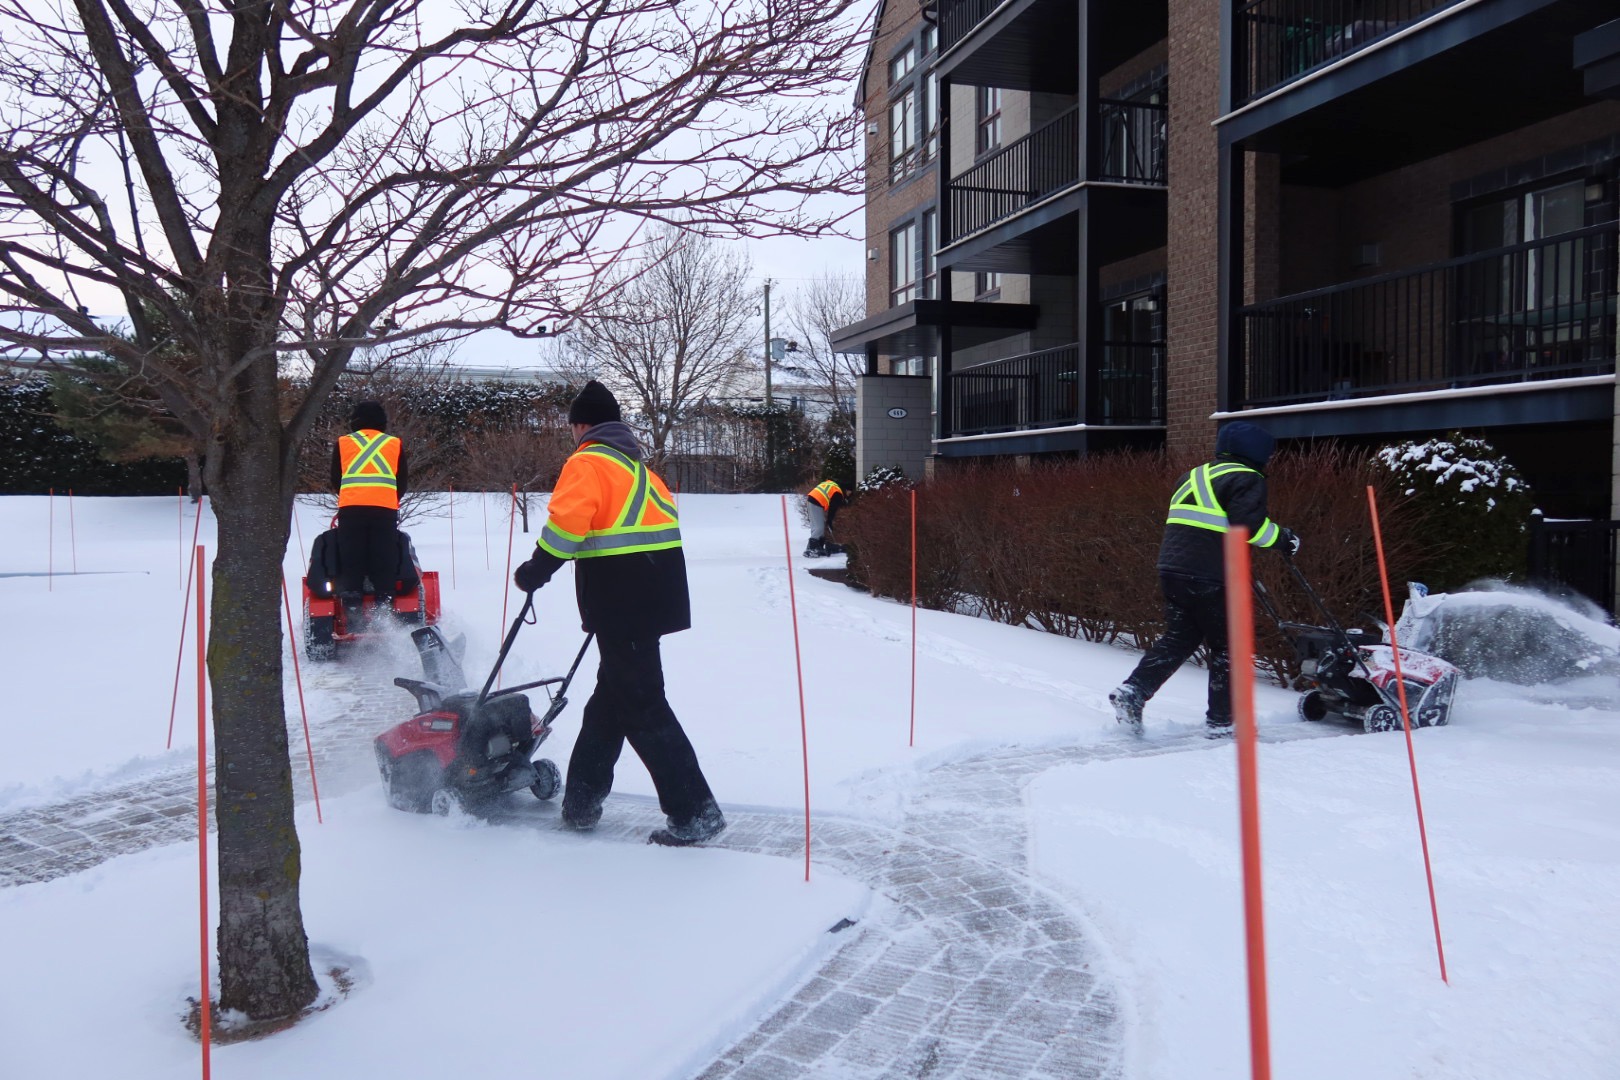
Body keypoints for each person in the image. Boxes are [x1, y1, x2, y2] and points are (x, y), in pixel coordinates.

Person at [512, 380, 725, 847]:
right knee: (611, 703)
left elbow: (566, 529)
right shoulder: (638, 468)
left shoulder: (587, 462)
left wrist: (533, 572)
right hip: (650, 598)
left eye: (572, 425)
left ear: (581, 425)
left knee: (643, 707)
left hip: (623, 603)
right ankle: (581, 804)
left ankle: (695, 813)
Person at [1109, 421, 1300, 740]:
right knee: (1229, 646)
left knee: (1180, 638)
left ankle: (1133, 692)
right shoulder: (1246, 477)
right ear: (1257, 454)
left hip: (1173, 571)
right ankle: (1224, 722)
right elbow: (1248, 527)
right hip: (1210, 574)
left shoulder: (1194, 475)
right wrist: (1284, 539)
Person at [330, 400, 409, 619]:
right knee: (384, 555)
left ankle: (353, 607)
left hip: (351, 509)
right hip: (384, 509)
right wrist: (388, 497)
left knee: (352, 555)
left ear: (355, 421)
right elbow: (401, 480)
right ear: (382, 422)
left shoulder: (343, 443)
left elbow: (336, 478)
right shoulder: (394, 443)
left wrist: (351, 495)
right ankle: (383, 606)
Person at [804, 479, 848, 558]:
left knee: (816, 525)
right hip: (816, 501)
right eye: (849, 492)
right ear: (846, 490)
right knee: (819, 527)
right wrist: (829, 520)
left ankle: (818, 547)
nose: (849, 494)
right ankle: (812, 549)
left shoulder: (833, 485)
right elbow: (832, 508)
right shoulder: (838, 492)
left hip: (812, 499)